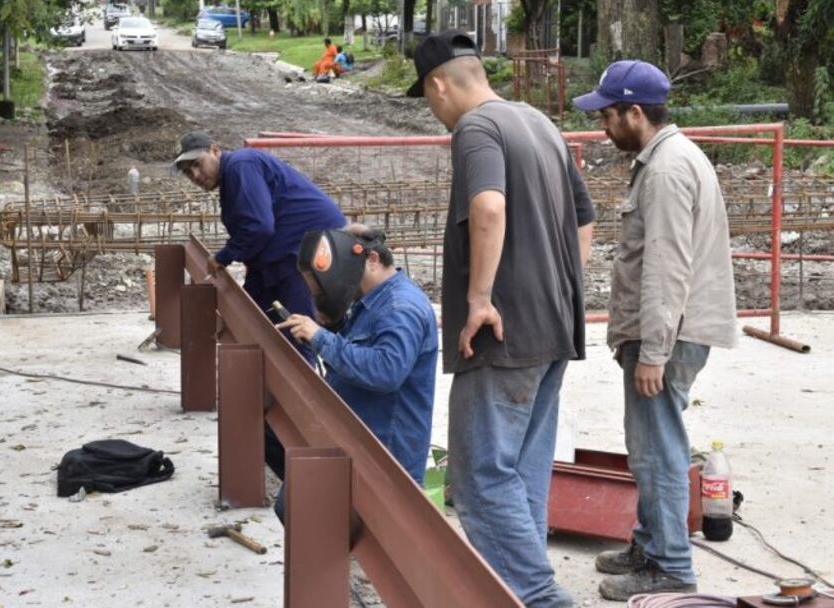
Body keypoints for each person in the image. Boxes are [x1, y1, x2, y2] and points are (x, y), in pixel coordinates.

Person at [408, 30, 595, 608]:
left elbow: (488, 205)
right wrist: (563, 287)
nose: (434, 111)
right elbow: (584, 218)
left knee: (481, 476)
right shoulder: (538, 122)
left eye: (428, 98)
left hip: (503, 332)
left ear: (439, 84)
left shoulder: (476, 128)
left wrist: (480, 299)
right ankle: (523, 588)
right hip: (554, 325)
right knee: (525, 471)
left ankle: (537, 597)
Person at [573, 60, 737, 601]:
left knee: (658, 450)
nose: (603, 126)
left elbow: (666, 267)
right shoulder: (670, 156)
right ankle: (650, 543)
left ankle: (669, 566)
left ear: (634, 112)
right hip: (667, 331)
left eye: (608, 115)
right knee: (649, 445)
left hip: (666, 333)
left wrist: (654, 353)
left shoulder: (666, 171)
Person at [171, 131, 346, 481]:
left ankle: (305, 429)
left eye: (198, 164)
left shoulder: (242, 166)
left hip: (299, 256)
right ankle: (273, 416)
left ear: (215, 150)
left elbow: (259, 227)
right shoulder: (234, 176)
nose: (195, 175)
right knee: (254, 318)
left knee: (296, 341)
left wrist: (223, 257)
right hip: (280, 257)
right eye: (188, 171)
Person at [278, 225, 438, 484]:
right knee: (293, 504)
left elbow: (386, 371)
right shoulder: (372, 300)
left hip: (385, 455)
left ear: (372, 259)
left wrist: (321, 338)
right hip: (360, 442)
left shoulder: (400, 309)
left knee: (304, 507)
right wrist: (332, 325)